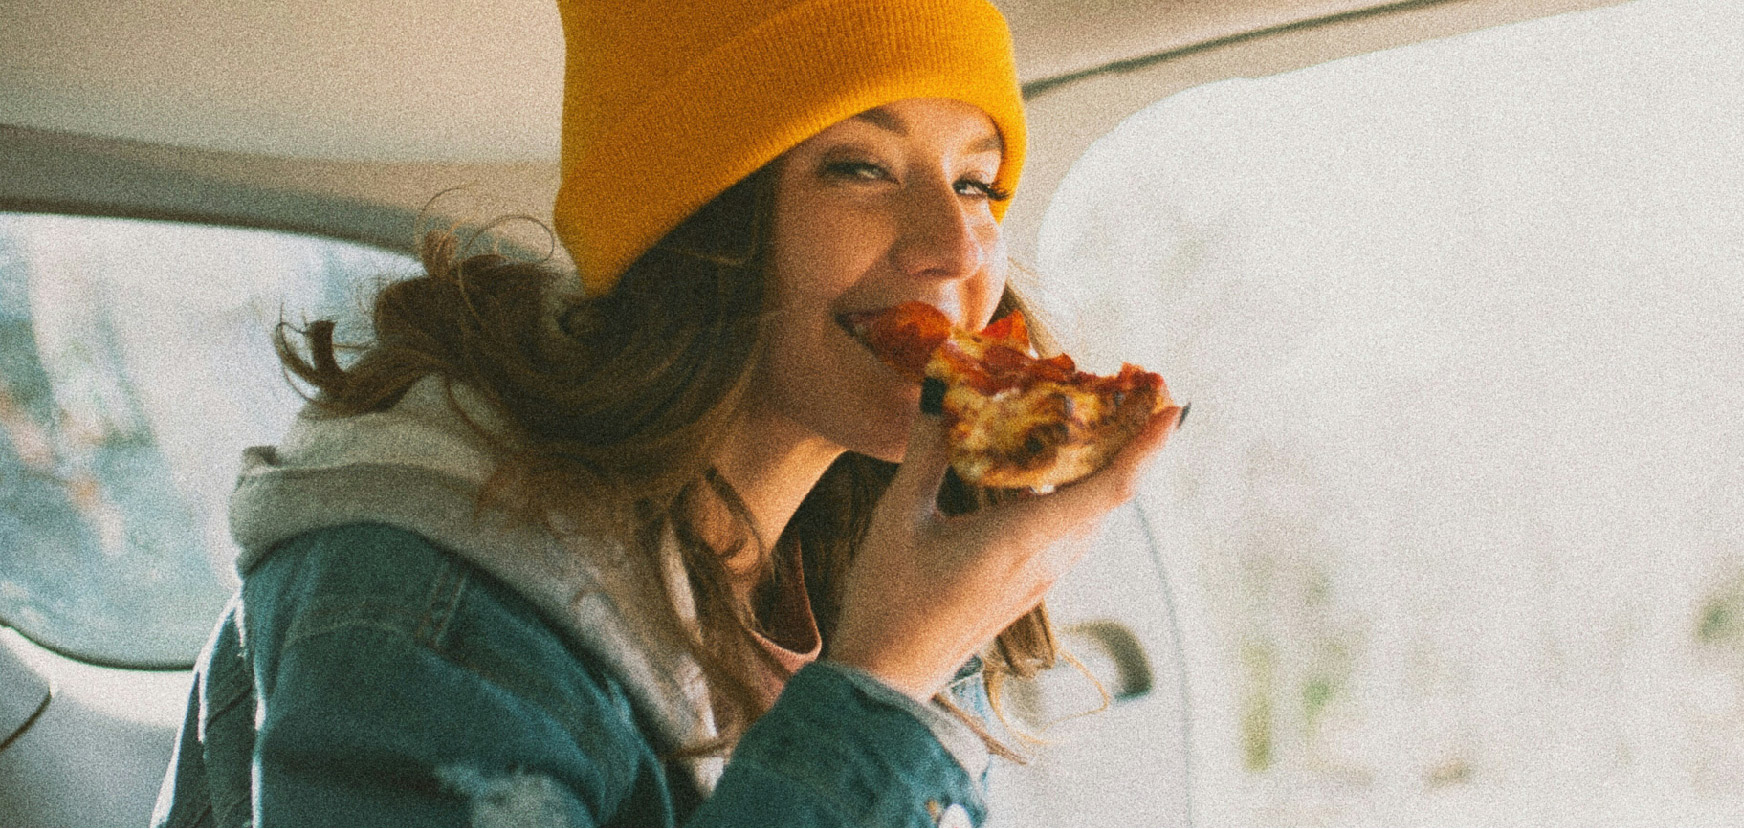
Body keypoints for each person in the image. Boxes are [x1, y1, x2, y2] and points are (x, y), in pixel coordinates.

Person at [151, 0, 1181, 825]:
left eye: (977, 182)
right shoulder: (420, 607)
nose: (959, 248)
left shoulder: (850, 568)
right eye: (860, 167)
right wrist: (880, 684)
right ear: (700, 223)